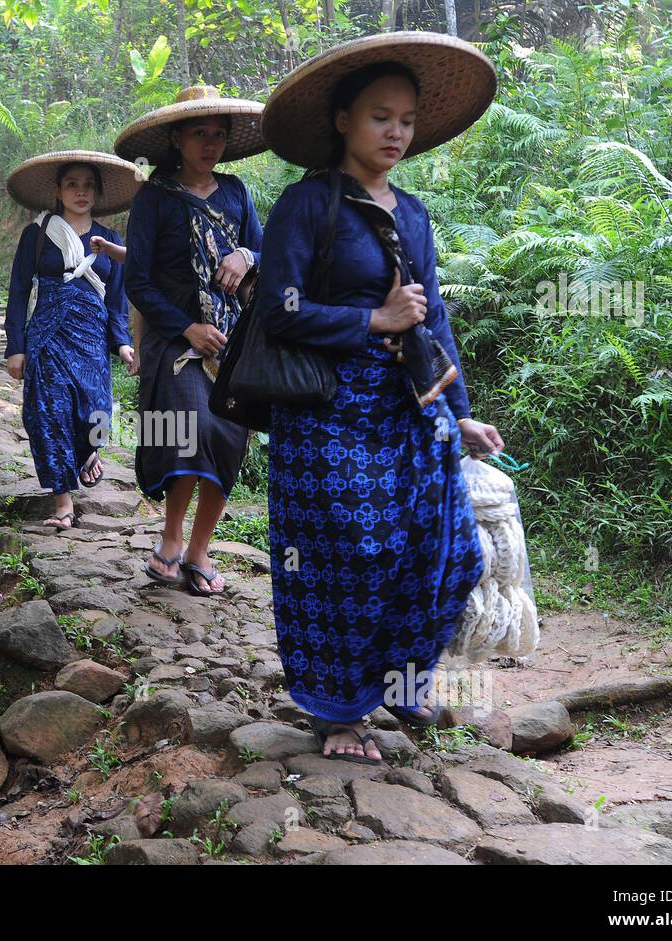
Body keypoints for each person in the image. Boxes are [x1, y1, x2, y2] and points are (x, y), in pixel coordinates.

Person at [256, 34, 503, 763]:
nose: (396, 132)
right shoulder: (306, 204)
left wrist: (460, 414)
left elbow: (434, 319)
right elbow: (280, 309)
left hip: (408, 406)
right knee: (349, 558)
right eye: (378, 117)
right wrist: (373, 319)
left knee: (449, 550)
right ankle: (340, 712)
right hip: (326, 412)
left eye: (406, 119)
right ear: (342, 121)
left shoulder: (415, 214)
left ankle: (403, 681)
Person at [115, 86, 266, 596]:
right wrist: (186, 328)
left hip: (231, 338)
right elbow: (137, 280)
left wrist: (245, 254)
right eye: (199, 133)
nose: (210, 144)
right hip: (175, 337)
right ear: (177, 138)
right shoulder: (154, 199)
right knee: (188, 427)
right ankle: (172, 538)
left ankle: (200, 548)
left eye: (218, 135)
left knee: (228, 435)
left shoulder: (236, 192)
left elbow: (265, 258)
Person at [3, 151, 141, 529]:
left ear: (97, 193)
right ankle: (63, 501)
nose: (81, 192)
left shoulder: (110, 240)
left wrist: (123, 342)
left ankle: (87, 455)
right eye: (72, 184)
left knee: (95, 411)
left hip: (92, 337)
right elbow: (18, 291)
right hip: (47, 336)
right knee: (47, 413)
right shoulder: (38, 234)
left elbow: (116, 300)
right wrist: (16, 347)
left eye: (88, 185)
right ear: (59, 191)